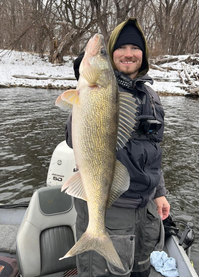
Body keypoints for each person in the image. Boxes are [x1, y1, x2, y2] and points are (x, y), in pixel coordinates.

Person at [65, 17, 170, 277]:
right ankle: (94, 233)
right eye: (120, 48)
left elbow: (154, 151)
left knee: (140, 271)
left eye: (135, 48)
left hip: (144, 212)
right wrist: (84, 74)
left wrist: (159, 192)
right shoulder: (95, 89)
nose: (128, 54)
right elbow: (71, 137)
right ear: (110, 56)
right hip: (112, 210)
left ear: (143, 55)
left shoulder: (151, 96)